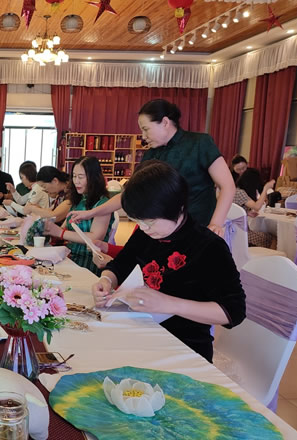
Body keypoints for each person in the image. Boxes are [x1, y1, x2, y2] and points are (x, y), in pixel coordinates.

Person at [92, 160, 245, 362]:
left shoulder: (209, 246)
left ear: (178, 208)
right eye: (138, 221)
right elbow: (121, 263)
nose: (144, 228)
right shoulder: (147, 234)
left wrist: (170, 304)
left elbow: (234, 312)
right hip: (140, 335)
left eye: (150, 222)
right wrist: (106, 280)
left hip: (184, 348)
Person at [71, 99, 235, 237]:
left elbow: (227, 186)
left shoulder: (199, 143)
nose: (143, 136)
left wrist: (215, 224)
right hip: (159, 233)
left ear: (165, 122)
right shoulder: (151, 154)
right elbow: (127, 194)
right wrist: (91, 213)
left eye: (146, 129)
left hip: (197, 228)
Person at [44, 157, 113, 275]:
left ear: (94, 178)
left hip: (90, 261)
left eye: (81, 177)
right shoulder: (79, 200)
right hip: (71, 257)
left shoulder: (103, 204)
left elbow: (95, 237)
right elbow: (66, 227)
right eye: (74, 176)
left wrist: (60, 233)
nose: (76, 181)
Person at [234, 167, 276, 248]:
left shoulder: (236, 191)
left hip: (234, 231)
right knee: (272, 238)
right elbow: (257, 207)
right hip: (241, 233)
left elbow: (233, 211)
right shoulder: (240, 193)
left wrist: (246, 213)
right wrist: (265, 188)